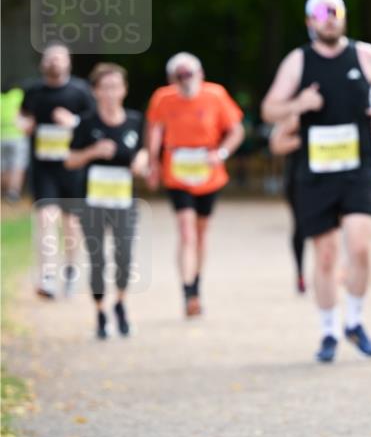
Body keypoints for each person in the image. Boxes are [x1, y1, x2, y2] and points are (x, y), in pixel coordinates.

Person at [261, 0, 371, 363]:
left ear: (344, 16)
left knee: (359, 247)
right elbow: (269, 109)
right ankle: (327, 331)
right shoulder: (298, 61)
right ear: (310, 21)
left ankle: (354, 322)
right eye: (322, 13)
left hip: (358, 168)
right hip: (316, 173)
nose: (330, 18)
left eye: (336, 11)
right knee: (325, 256)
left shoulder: (365, 54)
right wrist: (299, 104)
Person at [145, 53, 245, 316]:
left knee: (201, 233)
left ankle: (197, 285)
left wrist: (221, 153)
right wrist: (153, 163)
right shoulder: (163, 99)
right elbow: (155, 130)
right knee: (185, 229)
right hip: (177, 171)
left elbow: (236, 130)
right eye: (179, 75)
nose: (185, 80)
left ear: (200, 74)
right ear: (172, 79)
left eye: (189, 74)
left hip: (208, 172)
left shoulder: (215, 95)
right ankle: (187, 289)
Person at [66, 63, 147, 339]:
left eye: (116, 87)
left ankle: (121, 303)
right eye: (105, 88)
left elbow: (144, 153)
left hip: (123, 201)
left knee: (124, 256)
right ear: (95, 91)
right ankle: (100, 311)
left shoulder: (135, 121)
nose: (111, 93)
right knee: (97, 260)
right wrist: (92, 151)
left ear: (124, 90)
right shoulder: (87, 123)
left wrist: (141, 162)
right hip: (93, 201)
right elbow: (69, 159)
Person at [19, 43, 95, 298]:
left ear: (68, 62)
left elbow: (93, 124)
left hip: (72, 167)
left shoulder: (80, 91)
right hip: (43, 166)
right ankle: (48, 276)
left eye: (59, 58)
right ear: (43, 63)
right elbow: (22, 116)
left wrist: (72, 121)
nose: (54, 62)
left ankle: (71, 271)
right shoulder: (33, 91)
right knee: (45, 218)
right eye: (50, 58)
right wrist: (24, 124)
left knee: (71, 224)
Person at [269, 115, 307, 293]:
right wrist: (306, 139)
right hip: (299, 179)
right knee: (300, 227)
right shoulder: (297, 115)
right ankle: (300, 273)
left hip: (329, 179)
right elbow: (276, 145)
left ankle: (329, 270)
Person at [1, 84, 29, 202]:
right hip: (17, 135)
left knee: (3, 166)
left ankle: (4, 191)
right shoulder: (18, 95)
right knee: (17, 165)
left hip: (2, 136)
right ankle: (13, 192)